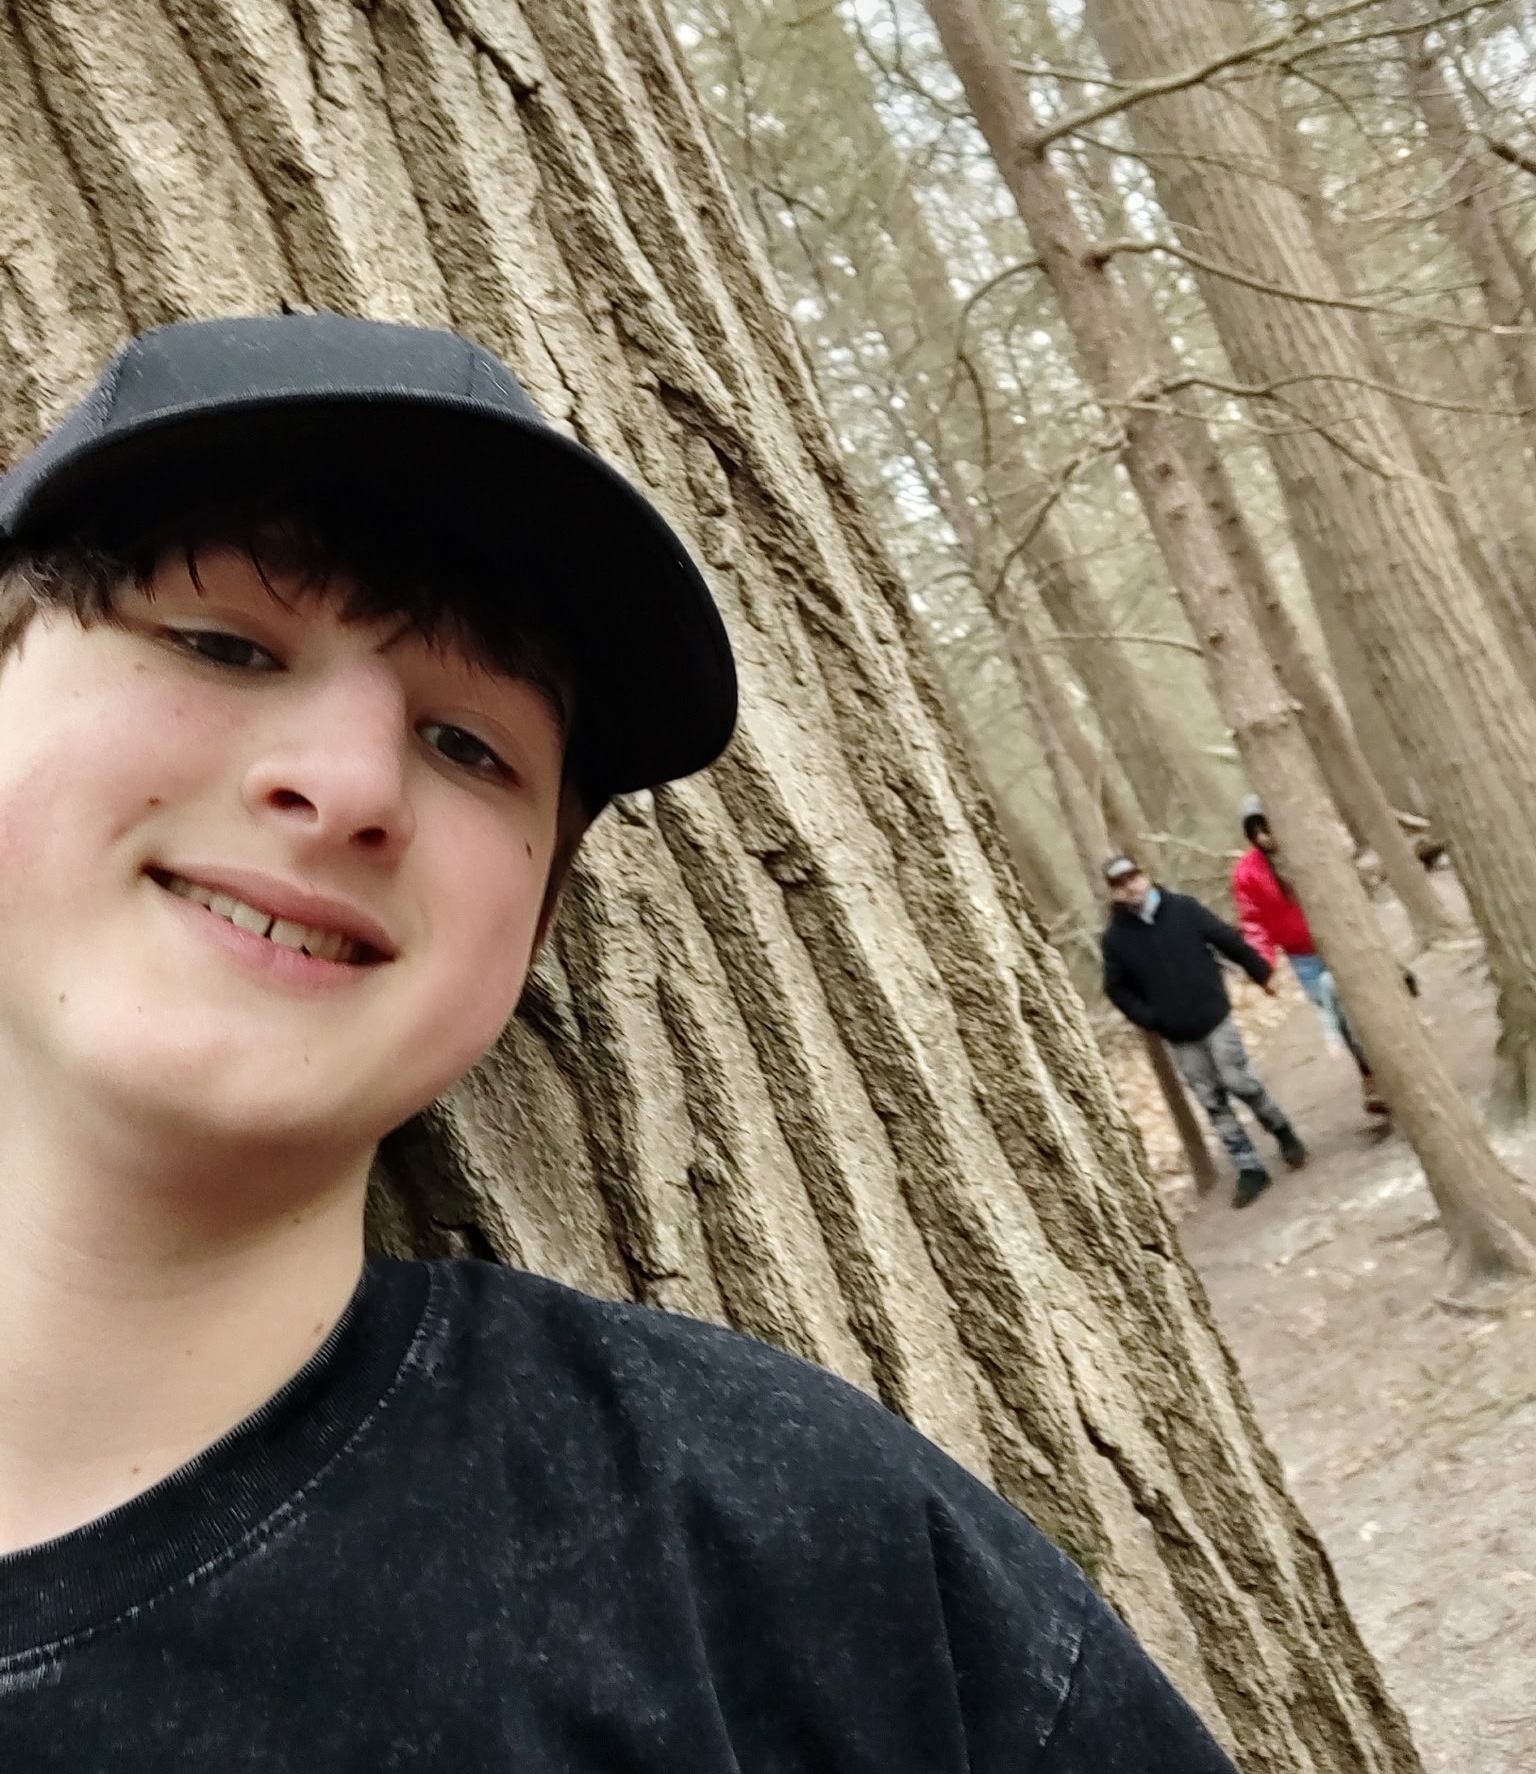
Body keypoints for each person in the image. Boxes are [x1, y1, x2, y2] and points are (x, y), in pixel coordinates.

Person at [0, 313, 1235, 1770]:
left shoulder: (796, 1557)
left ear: (532, 926)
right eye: (223, 645)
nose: (349, 786)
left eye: (470, 744)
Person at [1100, 855, 1306, 1208]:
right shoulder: (1116, 939)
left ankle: (1282, 1131)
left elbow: (1226, 939)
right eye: (1120, 884)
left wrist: (1261, 972)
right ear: (1114, 892)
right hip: (1178, 1034)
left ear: (1144, 875)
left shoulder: (1183, 908)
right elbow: (1116, 989)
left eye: (1133, 877)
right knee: (1211, 1100)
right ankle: (1249, 1167)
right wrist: (1150, 1017)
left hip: (1215, 1017)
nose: (1130, 887)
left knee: (1240, 1082)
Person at [1233, 797, 1389, 1119]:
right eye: (1255, 832)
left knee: (1366, 1003)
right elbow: (1254, 922)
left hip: (1338, 941)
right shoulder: (1248, 873)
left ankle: (1388, 1065)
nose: (1263, 837)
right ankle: (1371, 1077)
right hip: (1303, 956)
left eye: (1266, 828)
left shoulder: (1307, 848)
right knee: (1339, 1015)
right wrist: (1263, 966)